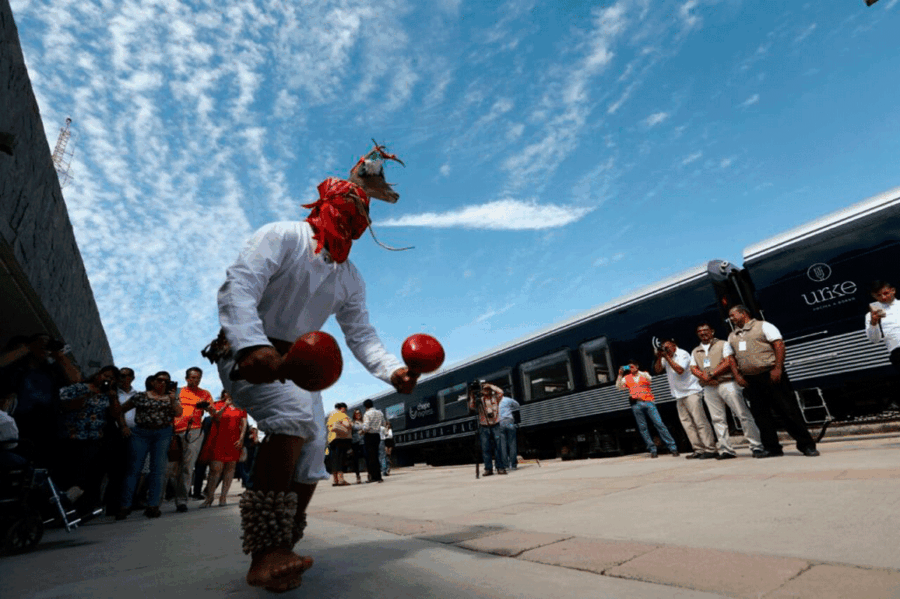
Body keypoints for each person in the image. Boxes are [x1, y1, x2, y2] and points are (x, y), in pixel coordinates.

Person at [212, 143, 418, 592]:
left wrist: (393, 372)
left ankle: (286, 541)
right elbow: (239, 288)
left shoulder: (350, 277)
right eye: (347, 206)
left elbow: (361, 335)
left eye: (361, 213)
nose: (354, 218)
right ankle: (264, 553)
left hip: (303, 368)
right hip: (248, 357)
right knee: (289, 420)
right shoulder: (282, 235)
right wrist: (251, 345)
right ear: (325, 201)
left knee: (313, 448)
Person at [710, 305, 819, 458]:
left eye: (733, 315)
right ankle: (772, 448)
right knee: (761, 416)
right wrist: (738, 376)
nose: (731, 318)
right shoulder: (732, 336)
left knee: (787, 411)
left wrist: (778, 368)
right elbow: (731, 358)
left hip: (771, 375)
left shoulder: (764, 326)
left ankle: (806, 445)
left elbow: (779, 345)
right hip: (751, 381)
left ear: (744, 314)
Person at [1, 334, 82, 469]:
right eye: (42, 342)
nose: (45, 347)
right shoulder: (17, 366)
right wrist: (31, 347)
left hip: (44, 429)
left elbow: (75, 380)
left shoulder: (52, 370)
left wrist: (59, 354)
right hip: (13, 425)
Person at [690, 323, 764, 459]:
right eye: (700, 331)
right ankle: (726, 450)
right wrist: (705, 378)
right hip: (709, 388)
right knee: (717, 419)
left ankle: (756, 446)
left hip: (727, 383)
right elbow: (693, 368)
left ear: (712, 331)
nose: (703, 333)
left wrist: (711, 374)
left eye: (706, 330)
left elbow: (728, 361)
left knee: (742, 414)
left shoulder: (723, 344)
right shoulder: (696, 351)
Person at [117, 371, 183, 519]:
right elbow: (120, 410)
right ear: (153, 382)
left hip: (162, 434)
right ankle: (124, 506)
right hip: (141, 433)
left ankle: (153, 506)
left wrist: (172, 400)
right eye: (160, 380)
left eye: (167, 381)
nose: (163, 383)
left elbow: (179, 413)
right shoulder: (141, 396)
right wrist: (123, 426)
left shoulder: (171, 398)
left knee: (158, 470)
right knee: (133, 469)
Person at [56, 365, 121, 516]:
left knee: (86, 475)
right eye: (106, 376)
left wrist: (113, 398)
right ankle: (60, 509)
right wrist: (88, 394)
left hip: (93, 439)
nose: (108, 380)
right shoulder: (81, 387)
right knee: (67, 474)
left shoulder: (109, 395)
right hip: (71, 437)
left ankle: (80, 509)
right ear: (98, 374)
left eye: (112, 379)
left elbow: (116, 414)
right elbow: (64, 405)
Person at [655, 339, 717, 459]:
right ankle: (698, 449)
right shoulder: (665, 357)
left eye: (667, 347)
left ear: (674, 346)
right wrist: (659, 357)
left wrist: (667, 358)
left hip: (691, 392)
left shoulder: (683, 354)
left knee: (700, 422)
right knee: (687, 424)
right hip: (678, 395)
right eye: (663, 348)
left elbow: (680, 370)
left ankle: (710, 448)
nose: (665, 350)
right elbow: (657, 370)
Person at [166, 367, 213, 513]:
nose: (195, 380)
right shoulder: (178, 391)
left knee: (187, 466)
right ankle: (172, 493)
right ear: (187, 378)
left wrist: (208, 407)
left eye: (198, 377)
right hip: (174, 432)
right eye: (192, 377)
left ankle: (181, 500)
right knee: (170, 469)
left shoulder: (205, 393)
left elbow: (213, 412)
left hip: (194, 431)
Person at [616, 360, 679, 458]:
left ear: (637, 366)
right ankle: (652, 450)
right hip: (636, 404)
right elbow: (619, 387)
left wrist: (639, 371)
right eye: (629, 367)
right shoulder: (626, 378)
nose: (630, 368)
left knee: (659, 424)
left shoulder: (644, 374)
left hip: (649, 402)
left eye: (632, 366)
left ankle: (673, 448)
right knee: (643, 428)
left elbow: (650, 380)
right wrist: (620, 374)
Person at [198, 391, 247, 507]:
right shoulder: (217, 404)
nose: (229, 394)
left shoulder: (240, 406)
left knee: (230, 469)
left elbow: (243, 423)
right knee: (215, 470)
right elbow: (216, 418)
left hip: (234, 441)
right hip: (218, 440)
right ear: (223, 394)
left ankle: (223, 497)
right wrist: (225, 405)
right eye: (227, 392)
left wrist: (241, 439)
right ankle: (209, 498)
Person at [468, 383, 506, 475]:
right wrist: (472, 395)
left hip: (495, 424)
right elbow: (472, 406)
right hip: (484, 426)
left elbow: (501, 392)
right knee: (486, 448)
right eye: (485, 389)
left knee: (498, 447)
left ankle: (500, 467)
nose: (487, 391)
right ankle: (488, 469)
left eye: (488, 389)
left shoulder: (495, 398)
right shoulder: (480, 400)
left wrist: (490, 385)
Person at [866, 280, 900, 372]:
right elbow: (874, 340)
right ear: (874, 296)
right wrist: (874, 323)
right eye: (879, 295)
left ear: (893, 290)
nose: (883, 297)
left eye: (886, 293)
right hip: (897, 353)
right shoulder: (871, 315)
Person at [326, 403, 352, 486]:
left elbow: (328, 426)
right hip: (340, 438)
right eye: (345, 409)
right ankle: (341, 480)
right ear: (342, 408)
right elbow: (348, 425)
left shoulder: (330, 415)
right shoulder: (342, 415)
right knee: (340, 459)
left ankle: (335, 480)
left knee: (334, 460)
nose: (345, 410)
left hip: (331, 439)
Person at [362, 399, 386, 483]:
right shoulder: (380, 413)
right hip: (377, 435)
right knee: (376, 456)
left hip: (369, 436)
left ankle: (373, 477)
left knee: (370, 457)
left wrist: (363, 430)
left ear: (366, 407)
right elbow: (383, 423)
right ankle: (379, 476)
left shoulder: (367, 414)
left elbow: (366, 427)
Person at [498, 393, 520, 471]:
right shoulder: (507, 400)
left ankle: (506, 465)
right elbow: (517, 405)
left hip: (500, 423)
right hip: (509, 421)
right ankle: (513, 465)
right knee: (512, 443)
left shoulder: (495, 402)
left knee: (503, 445)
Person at [350, 408, 365, 484]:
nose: (358, 414)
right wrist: (362, 430)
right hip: (355, 442)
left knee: (367, 457)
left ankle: (370, 474)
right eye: (356, 413)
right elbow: (354, 428)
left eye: (359, 413)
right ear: (354, 415)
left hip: (364, 442)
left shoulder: (364, 421)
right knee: (356, 460)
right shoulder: (353, 422)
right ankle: (358, 476)